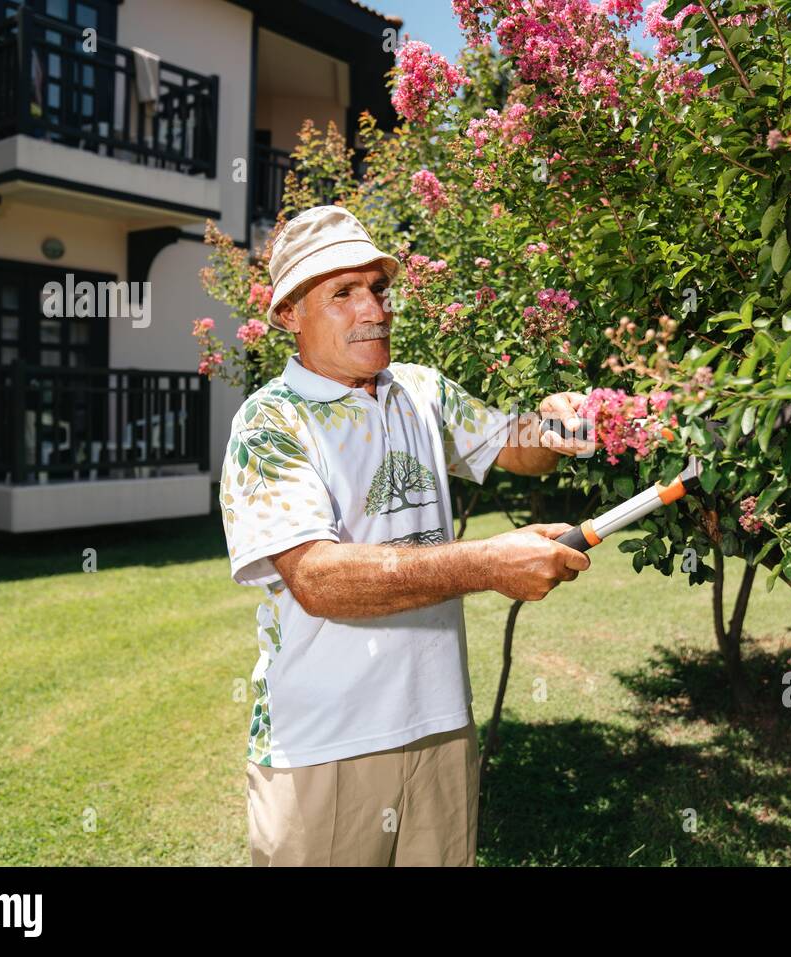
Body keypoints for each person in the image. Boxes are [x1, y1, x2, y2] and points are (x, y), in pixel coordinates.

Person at [218, 204, 594, 866]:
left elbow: (514, 444)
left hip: (441, 729)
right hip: (322, 748)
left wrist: (562, 425)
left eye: (378, 287)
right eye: (344, 293)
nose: (375, 308)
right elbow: (317, 577)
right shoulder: (268, 424)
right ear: (289, 315)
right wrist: (486, 564)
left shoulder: (419, 390)